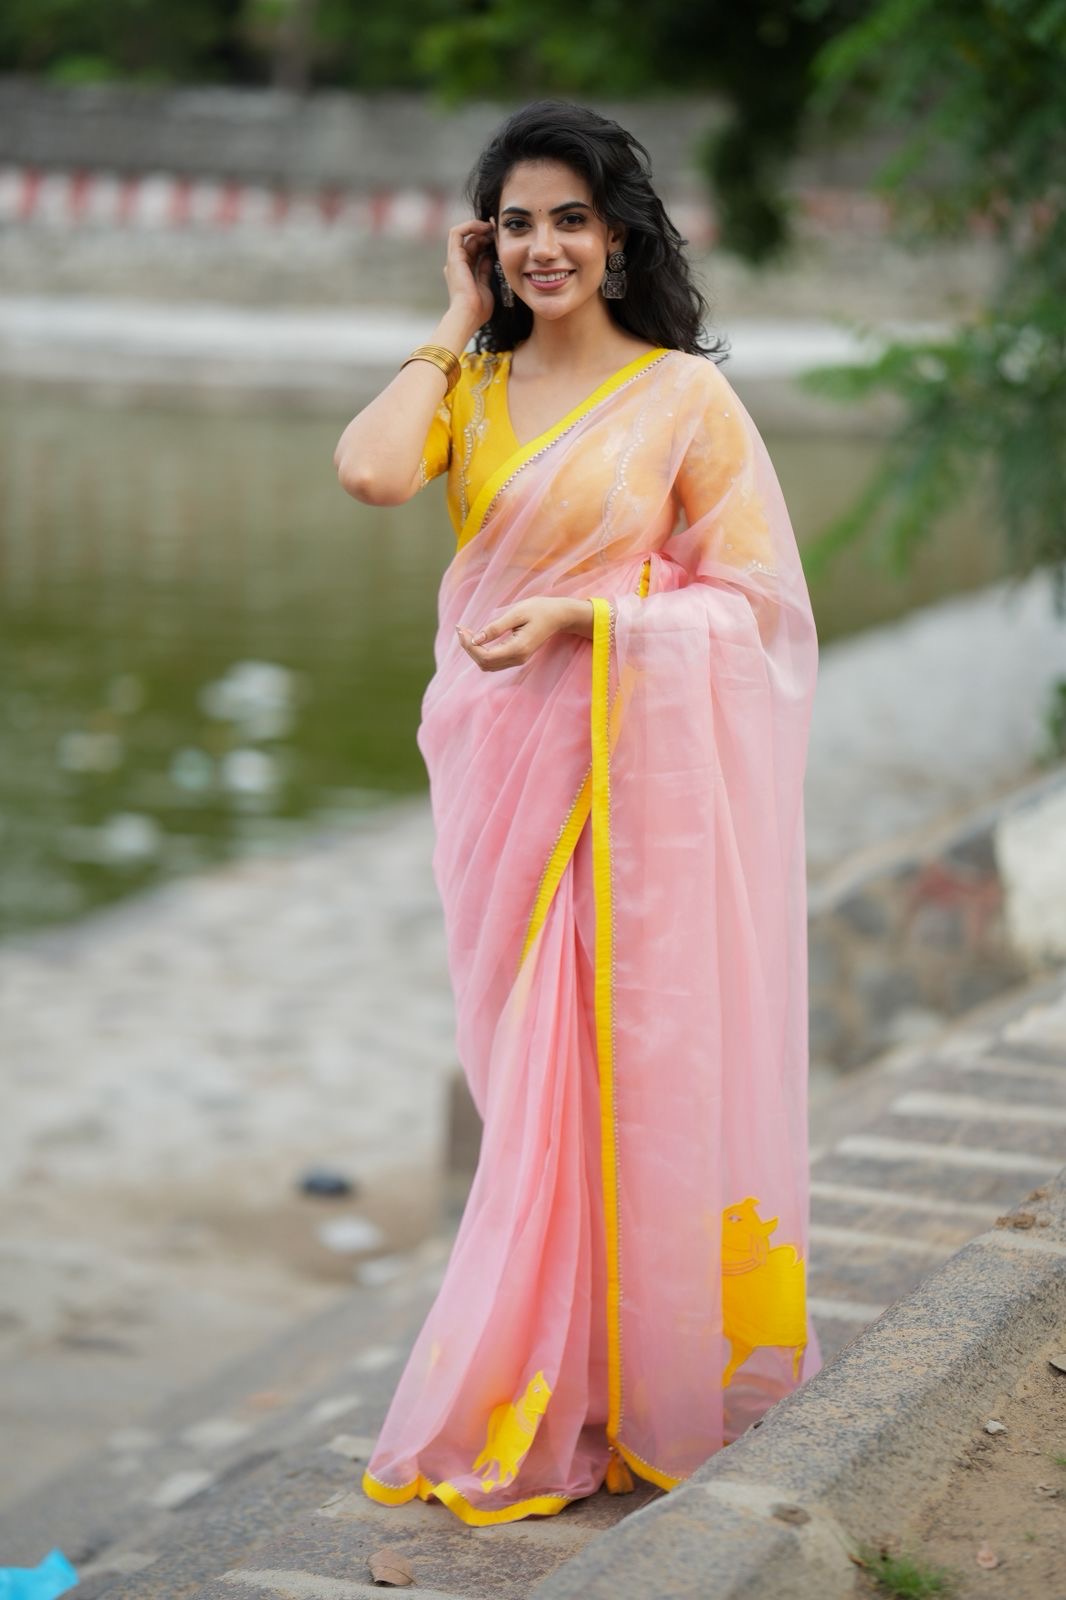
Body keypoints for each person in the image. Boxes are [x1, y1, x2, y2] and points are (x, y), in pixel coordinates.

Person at [333, 98, 823, 1528]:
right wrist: (450, 316)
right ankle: (560, 1383)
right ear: (488, 241)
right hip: (498, 774)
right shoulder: (471, 392)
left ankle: (621, 1390)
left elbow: (762, 613)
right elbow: (369, 472)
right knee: (526, 1091)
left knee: (619, 1077)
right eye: (518, 222)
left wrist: (593, 620)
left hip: (629, 788)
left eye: (570, 219)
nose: (546, 246)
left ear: (618, 236)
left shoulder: (682, 398)